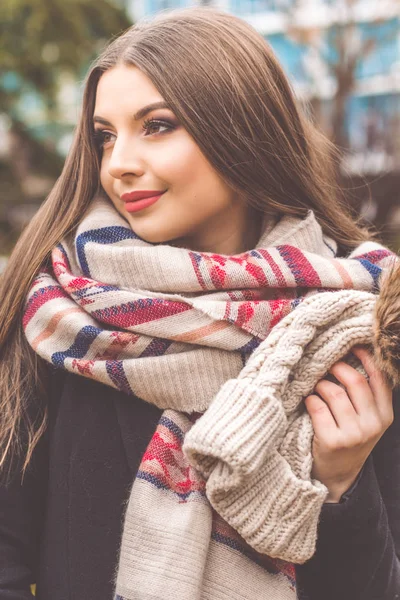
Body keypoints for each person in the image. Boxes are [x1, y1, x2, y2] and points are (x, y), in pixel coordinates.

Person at [0, 6, 399, 600]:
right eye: (105, 136)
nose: (119, 164)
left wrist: (341, 486)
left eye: (156, 126)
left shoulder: (354, 322)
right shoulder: (61, 316)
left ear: (242, 130)